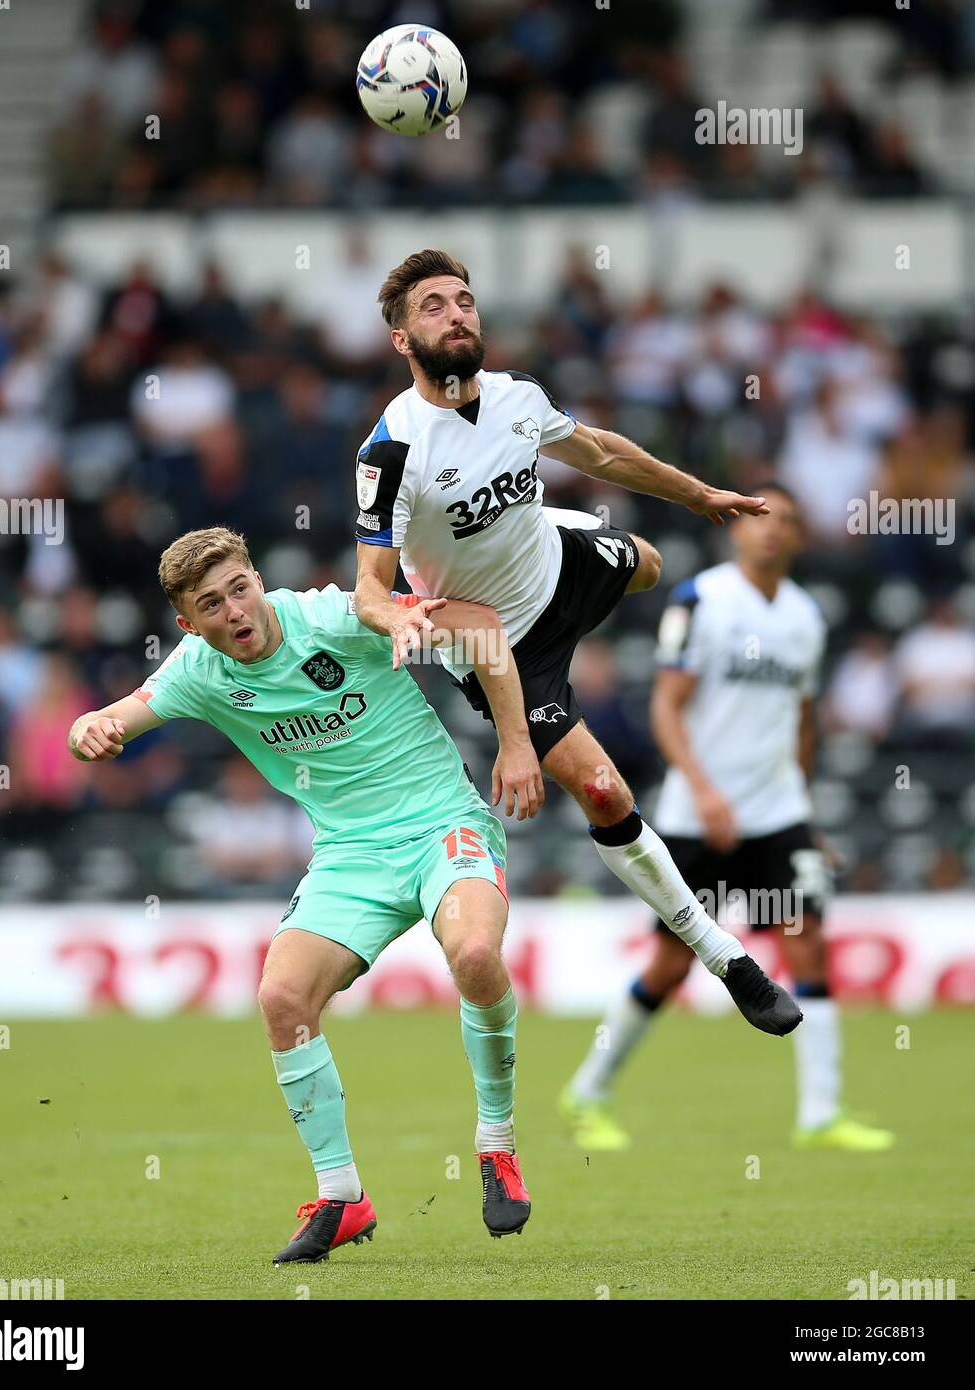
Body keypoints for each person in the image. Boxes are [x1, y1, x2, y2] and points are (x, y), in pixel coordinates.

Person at [353, 248, 801, 1039]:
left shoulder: (516, 397)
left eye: (464, 300)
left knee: (652, 568)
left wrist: (698, 495)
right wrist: (403, 620)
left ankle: (584, 533)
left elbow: (596, 451)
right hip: (500, 647)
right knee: (603, 794)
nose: (456, 314)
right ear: (401, 341)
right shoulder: (391, 452)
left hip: (556, 564)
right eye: (433, 306)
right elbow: (368, 590)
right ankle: (728, 957)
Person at [67, 526, 546, 1263]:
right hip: (350, 856)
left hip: (442, 825)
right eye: (212, 604)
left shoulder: (334, 616)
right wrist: (85, 731)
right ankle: (342, 1196)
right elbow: (109, 720)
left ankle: (497, 1145)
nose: (235, 609)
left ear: (257, 579)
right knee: (281, 999)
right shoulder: (198, 669)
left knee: (476, 952)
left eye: (240, 587)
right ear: (187, 624)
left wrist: (516, 744)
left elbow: (480, 627)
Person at [561, 485, 894, 1152]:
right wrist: (705, 790)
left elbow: (801, 719)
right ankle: (587, 1092)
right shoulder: (702, 600)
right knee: (671, 965)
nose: (772, 532)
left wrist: (803, 804)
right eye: (758, 519)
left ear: (800, 537)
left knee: (809, 943)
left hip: (777, 812)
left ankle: (820, 1112)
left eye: (788, 522)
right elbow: (666, 707)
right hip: (697, 813)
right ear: (734, 530)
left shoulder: (805, 616)